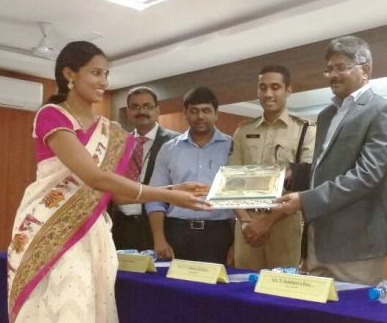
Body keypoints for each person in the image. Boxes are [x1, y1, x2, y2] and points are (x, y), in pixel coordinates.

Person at [0, 41, 209, 323]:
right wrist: (167, 194)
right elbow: (93, 176)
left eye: (106, 74)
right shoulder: (52, 115)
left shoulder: (112, 132)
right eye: (95, 72)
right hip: (51, 233)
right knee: (54, 322)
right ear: (69, 74)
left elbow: (119, 195)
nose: (103, 81)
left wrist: (174, 189)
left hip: (93, 236)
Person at [275, 35, 387, 285]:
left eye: (341, 67)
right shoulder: (326, 115)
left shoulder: (382, 110)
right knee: (315, 309)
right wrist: (295, 174)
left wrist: (305, 200)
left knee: (352, 310)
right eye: (329, 69)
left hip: (356, 246)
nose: (333, 75)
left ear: (365, 70)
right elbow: (327, 168)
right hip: (318, 241)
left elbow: (366, 175)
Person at [229, 65, 316, 270]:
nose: (268, 93)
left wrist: (266, 222)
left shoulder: (305, 130)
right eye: (263, 87)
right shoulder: (243, 131)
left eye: (275, 87)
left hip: (285, 222)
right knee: (244, 285)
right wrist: (245, 221)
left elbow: (306, 181)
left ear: (288, 90)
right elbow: (231, 182)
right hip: (246, 225)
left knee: (281, 285)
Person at [147, 86, 235, 264]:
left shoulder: (232, 147)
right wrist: (159, 239)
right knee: (173, 282)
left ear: (216, 114)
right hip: (176, 231)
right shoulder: (168, 149)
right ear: (185, 113)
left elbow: (240, 198)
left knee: (218, 282)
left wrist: (237, 243)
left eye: (206, 111)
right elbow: (155, 196)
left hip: (220, 233)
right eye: (194, 111)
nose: (200, 116)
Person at [108, 87, 179, 252]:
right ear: (128, 112)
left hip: (159, 226)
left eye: (147, 106)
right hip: (120, 225)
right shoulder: (119, 142)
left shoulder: (175, 142)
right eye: (135, 107)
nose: (141, 111)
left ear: (157, 110)